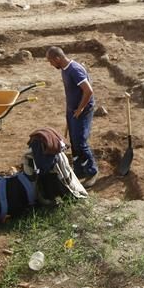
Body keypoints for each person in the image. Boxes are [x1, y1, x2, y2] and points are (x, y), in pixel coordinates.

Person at [45, 46, 99, 186]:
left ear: (57, 58)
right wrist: (69, 110)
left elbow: (88, 91)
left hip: (82, 111)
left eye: (51, 61)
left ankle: (92, 172)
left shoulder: (74, 70)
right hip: (72, 110)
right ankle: (79, 171)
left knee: (81, 142)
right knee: (74, 142)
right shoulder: (64, 69)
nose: (51, 65)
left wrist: (80, 109)